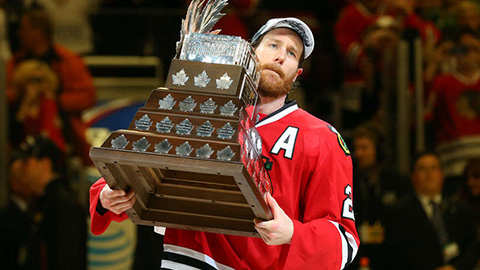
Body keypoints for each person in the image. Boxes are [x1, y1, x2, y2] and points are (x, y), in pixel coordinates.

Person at [89, 17, 360, 269]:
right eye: (273, 45)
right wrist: (107, 197)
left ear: (297, 72)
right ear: (250, 53)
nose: (280, 56)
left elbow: (344, 241)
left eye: (291, 53)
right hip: (186, 260)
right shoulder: (200, 109)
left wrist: (293, 234)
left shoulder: (321, 137)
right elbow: (138, 160)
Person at [6, 7, 96, 166]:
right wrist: (25, 97)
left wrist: (54, 99)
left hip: (61, 134)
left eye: (23, 28)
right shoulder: (15, 62)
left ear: (38, 31)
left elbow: (88, 96)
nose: (19, 33)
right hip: (20, 133)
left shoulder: (68, 60)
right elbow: (6, 97)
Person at [0, 135, 87, 270]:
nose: (22, 169)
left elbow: (66, 261)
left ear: (45, 164)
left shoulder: (62, 205)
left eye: (26, 162)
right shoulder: (43, 201)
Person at [386, 152, 479, 270]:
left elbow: (472, 247)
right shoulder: (399, 212)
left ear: (442, 174)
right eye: (422, 169)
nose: (429, 174)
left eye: (434, 168)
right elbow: (396, 254)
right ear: (413, 176)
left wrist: (455, 267)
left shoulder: (460, 208)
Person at [350, 122, 411, 269]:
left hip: (393, 258)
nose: (358, 154)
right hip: (358, 255)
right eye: (356, 148)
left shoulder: (397, 182)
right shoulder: (350, 181)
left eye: (364, 148)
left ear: (379, 150)